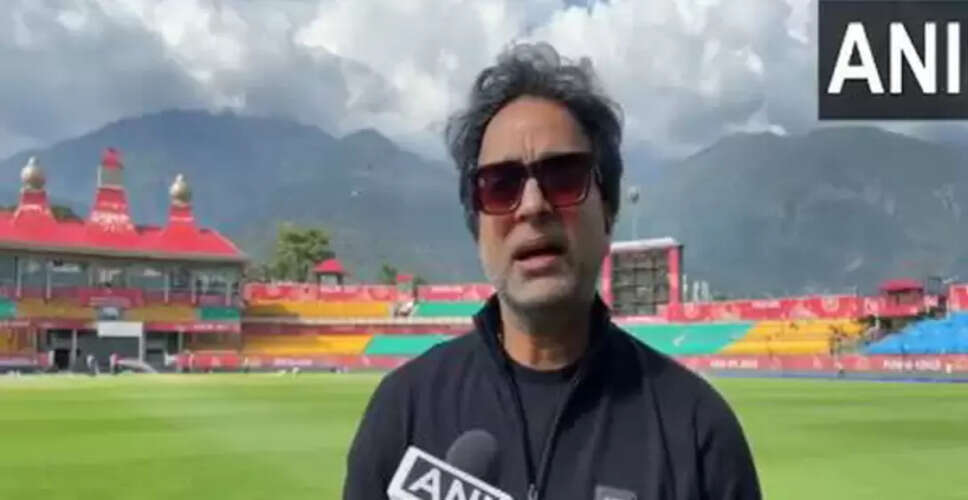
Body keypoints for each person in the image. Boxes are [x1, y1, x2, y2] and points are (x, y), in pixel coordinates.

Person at [344, 42, 761, 500]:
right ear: (476, 225)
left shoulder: (698, 432)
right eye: (500, 186)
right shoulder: (404, 411)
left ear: (609, 209)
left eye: (563, 178)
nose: (532, 206)